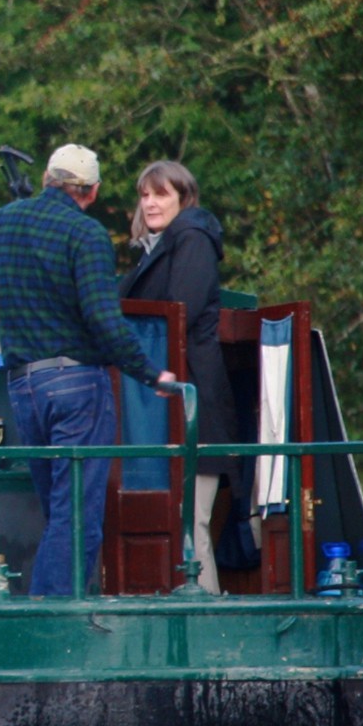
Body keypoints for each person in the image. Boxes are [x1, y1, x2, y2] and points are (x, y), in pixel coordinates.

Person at [0, 144, 174, 596]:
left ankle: (40, 613)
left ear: (47, 177)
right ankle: (51, 627)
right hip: (78, 387)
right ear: (91, 191)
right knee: (76, 518)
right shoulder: (86, 236)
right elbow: (104, 321)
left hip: (23, 387)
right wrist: (150, 374)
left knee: (59, 513)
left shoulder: (6, 221)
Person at [118, 159, 241, 592]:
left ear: (183, 199)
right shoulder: (157, 249)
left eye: (161, 194)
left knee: (192, 522)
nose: (150, 203)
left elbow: (178, 313)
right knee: (179, 521)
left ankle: (207, 619)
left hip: (192, 403)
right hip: (159, 411)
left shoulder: (191, 237)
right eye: (145, 194)